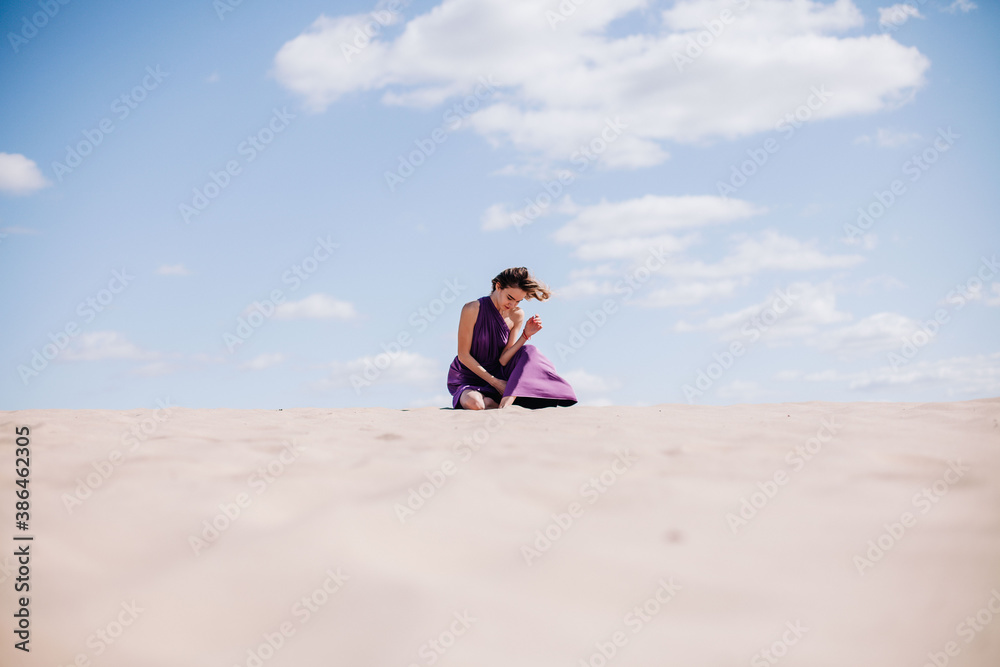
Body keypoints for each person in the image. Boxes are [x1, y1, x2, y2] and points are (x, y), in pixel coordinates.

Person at [447, 267, 577, 410]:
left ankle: (506, 404)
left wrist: (525, 335)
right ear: (498, 286)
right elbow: (463, 355)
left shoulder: (517, 315)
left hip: (499, 373)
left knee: (530, 351)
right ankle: (498, 402)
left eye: (518, 301)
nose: (512, 304)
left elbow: (503, 359)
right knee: (475, 404)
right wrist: (495, 383)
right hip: (469, 374)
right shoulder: (472, 309)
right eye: (510, 298)